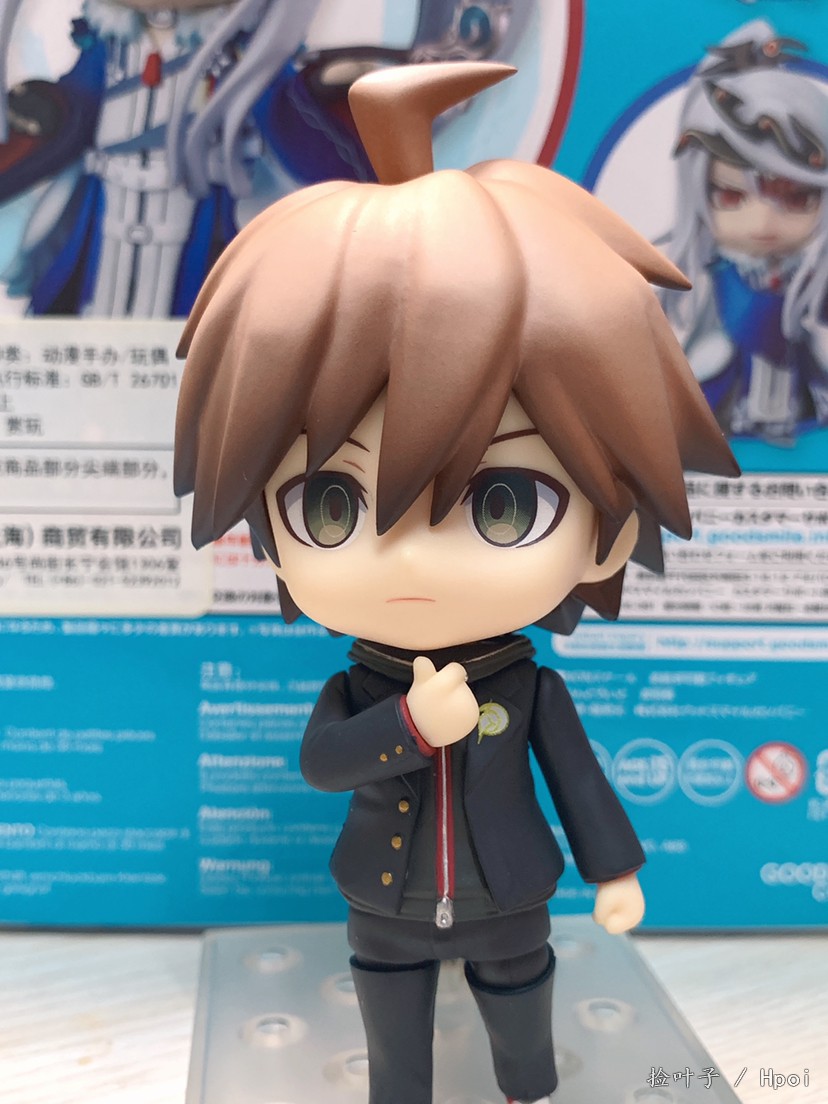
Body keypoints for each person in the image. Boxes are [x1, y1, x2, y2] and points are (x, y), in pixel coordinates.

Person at [174, 61, 738, 1104]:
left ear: (606, 537)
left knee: (520, 1006)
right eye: (329, 508)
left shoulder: (529, 688)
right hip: (381, 906)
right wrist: (408, 727)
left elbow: (578, 783)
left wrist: (615, 870)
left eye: (503, 504)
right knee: (393, 1027)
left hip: (511, 900)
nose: (411, 559)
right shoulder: (360, 687)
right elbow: (323, 762)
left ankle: (527, 1087)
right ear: (268, 536)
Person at [0, 0, 533, 316]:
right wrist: (44, 114)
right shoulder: (109, 44)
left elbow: (295, 126)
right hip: (105, 202)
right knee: (87, 298)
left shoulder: (244, 53)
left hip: (197, 207)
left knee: (195, 311)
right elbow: (74, 106)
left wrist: (326, 100)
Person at [661, 18, 828, 442]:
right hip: (722, 391)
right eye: (731, 196)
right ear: (699, 191)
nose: (763, 223)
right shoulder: (701, 274)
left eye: (797, 198)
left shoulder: (813, 276)